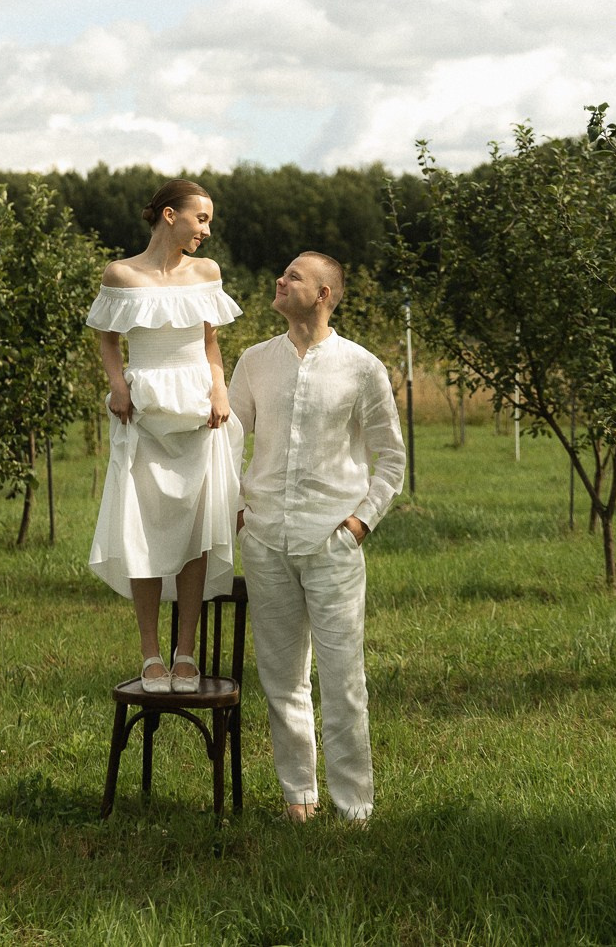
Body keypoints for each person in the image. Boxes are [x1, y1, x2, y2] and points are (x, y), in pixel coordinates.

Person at [228, 251, 405, 821]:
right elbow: (228, 439)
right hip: (266, 539)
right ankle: (297, 798)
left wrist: (359, 523)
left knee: (344, 680)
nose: (280, 281)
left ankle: (354, 807)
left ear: (325, 294)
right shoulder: (254, 362)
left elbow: (392, 460)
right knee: (282, 679)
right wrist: (235, 506)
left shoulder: (361, 367)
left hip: (332, 541)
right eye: (281, 273)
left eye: (294, 277)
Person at [86, 178, 243, 692]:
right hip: (144, 412)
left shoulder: (207, 273)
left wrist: (220, 390)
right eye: (202, 219)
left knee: (197, 530)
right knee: (143, 527)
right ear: (170, 216)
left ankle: (186, 652)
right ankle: (150, 653)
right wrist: (116, 385)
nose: (207, 230)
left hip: (199, 412)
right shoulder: (122, 274)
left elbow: (211, 343)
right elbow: (108, 340)